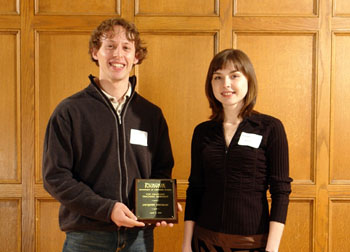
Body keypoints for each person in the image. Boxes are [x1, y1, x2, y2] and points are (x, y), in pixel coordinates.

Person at [42, 18, 177, 252]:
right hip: (87, 238)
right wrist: (107, 209)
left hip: (139, 238)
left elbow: (161, 169)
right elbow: (56, 177)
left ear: (136, 57)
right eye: (110, 46)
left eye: (126, 47)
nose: (118, 54)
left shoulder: (151, 114)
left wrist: (158, 208)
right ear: (96, 52)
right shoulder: (70, 111)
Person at [182, 49, 292, 252]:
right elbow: (195, 188)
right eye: (218, 77)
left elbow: (281, 191)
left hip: (252, 243)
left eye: (234, 76)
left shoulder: (270, 127)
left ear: (248, 80)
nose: (226, 84)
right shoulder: (202, 132)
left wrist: (272, 248)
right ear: (211, 84)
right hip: (205, 241)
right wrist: (186, 244)